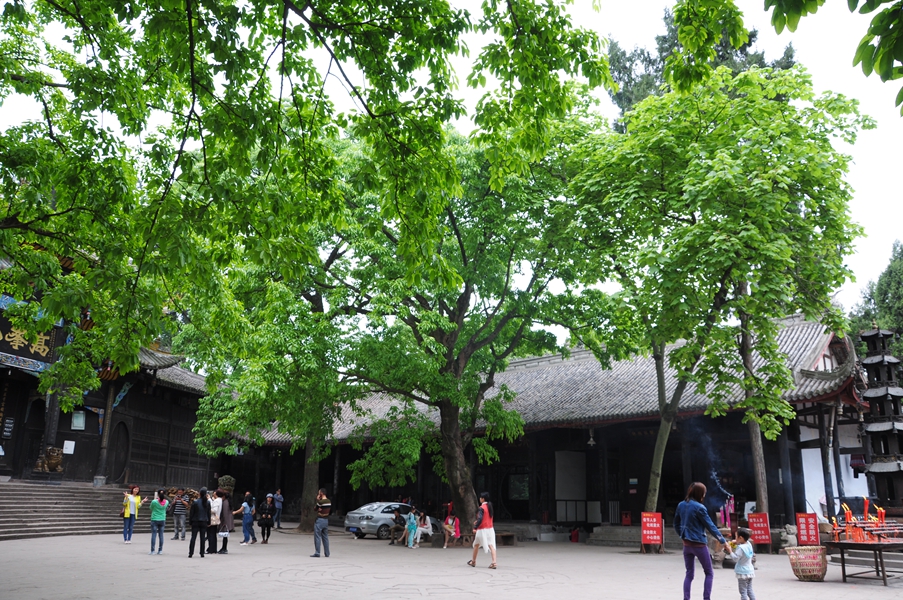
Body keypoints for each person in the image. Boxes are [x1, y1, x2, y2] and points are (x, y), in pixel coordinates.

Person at [674, 482, 730, 600]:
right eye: (704, 493)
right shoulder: (700, 508)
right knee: (709, 573)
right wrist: (723, 541)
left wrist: (683, 535)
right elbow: (711, 526)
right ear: (700, 494)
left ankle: (686, 598)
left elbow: (676, 524)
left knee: (689, 574)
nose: (704, 495)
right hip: (699, 544)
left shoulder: (681, 505)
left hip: (686, 545)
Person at [468, 491, 497, 569]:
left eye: (480, 497)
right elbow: (486, 518)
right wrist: (478, 521)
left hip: (482, 529)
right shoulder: (490, 506)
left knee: (476, 545)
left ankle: (473, 561)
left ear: (483, 499)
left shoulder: (481, 508)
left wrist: (475, 527)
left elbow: (480, 518)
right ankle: (494, 562)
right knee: (491, 545)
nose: (480, 499)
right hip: (490, 528)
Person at [725, 529, 756, 600]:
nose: (735, 538)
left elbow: (735, 558)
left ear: (741, 538)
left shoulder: (740, 548)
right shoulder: (749, 544)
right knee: (749, 589)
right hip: (750, 571)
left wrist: (730, 551)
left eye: (736, 537)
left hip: (742, 572)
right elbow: (743, 543)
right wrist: (736, 542)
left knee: (743, 591)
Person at [188, 486, 211, 558]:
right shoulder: (207, 502)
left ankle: (191, 553)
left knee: (193, 537)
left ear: (199, 493)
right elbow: (208, 513)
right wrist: (209, 522)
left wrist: (190, 522)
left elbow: (192, 513)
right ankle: (202, 553)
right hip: (204, 521)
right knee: (202, 538)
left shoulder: (195, 502)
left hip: (195, 521)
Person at [311, 487, 331, 557]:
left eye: (319, 493)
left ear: (321, 493)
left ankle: (317, 552)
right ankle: (327, 553)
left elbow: (315, 508)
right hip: (326, 520)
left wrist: (317, 500)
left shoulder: (320, 502)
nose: (318, 494)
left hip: (320, 520)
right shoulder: (329, 501)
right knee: (325, 537)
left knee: (317, 536)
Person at [149, 488, 168, 555]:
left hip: (154, 518)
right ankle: (160, 550)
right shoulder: (166, 502)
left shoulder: (154, 501)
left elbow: (151, 508)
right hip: (162, 519)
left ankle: (152, 550)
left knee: (154, 534)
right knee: (161, 535)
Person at [217, 490, 234, 554]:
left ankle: (224, 548)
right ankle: (224, 548)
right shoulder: (228, 502)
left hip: (225, 521)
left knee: (225, 535)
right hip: (228, 520)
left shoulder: (225, 503)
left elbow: (224, 513)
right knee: (225, 536)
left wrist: (223, 522)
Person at [206, 488, 222, 555]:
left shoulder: (217, 501)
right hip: (216, 518)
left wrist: (208, 509)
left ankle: (211, 549)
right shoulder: (219, 500)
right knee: (213, 534)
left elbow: (214, 510)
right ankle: (213, 549)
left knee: (211, 534)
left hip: (213, 518)